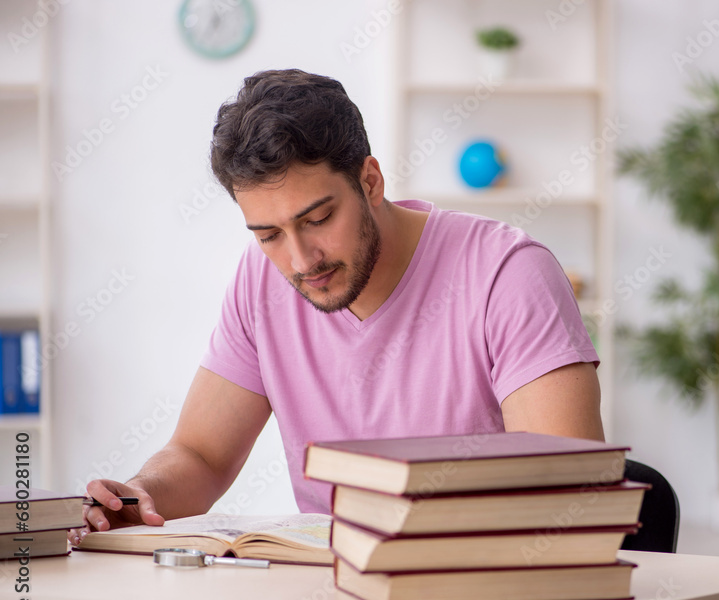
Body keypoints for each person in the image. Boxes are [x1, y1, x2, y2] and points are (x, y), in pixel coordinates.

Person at [71, 69, 602, 544]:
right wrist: (141, 495)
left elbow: (565, 496)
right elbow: (201, 456)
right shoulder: (262, 281)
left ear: (369, 181)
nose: (301, 260)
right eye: (269, 234)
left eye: (318, 219)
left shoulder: (507, 274)